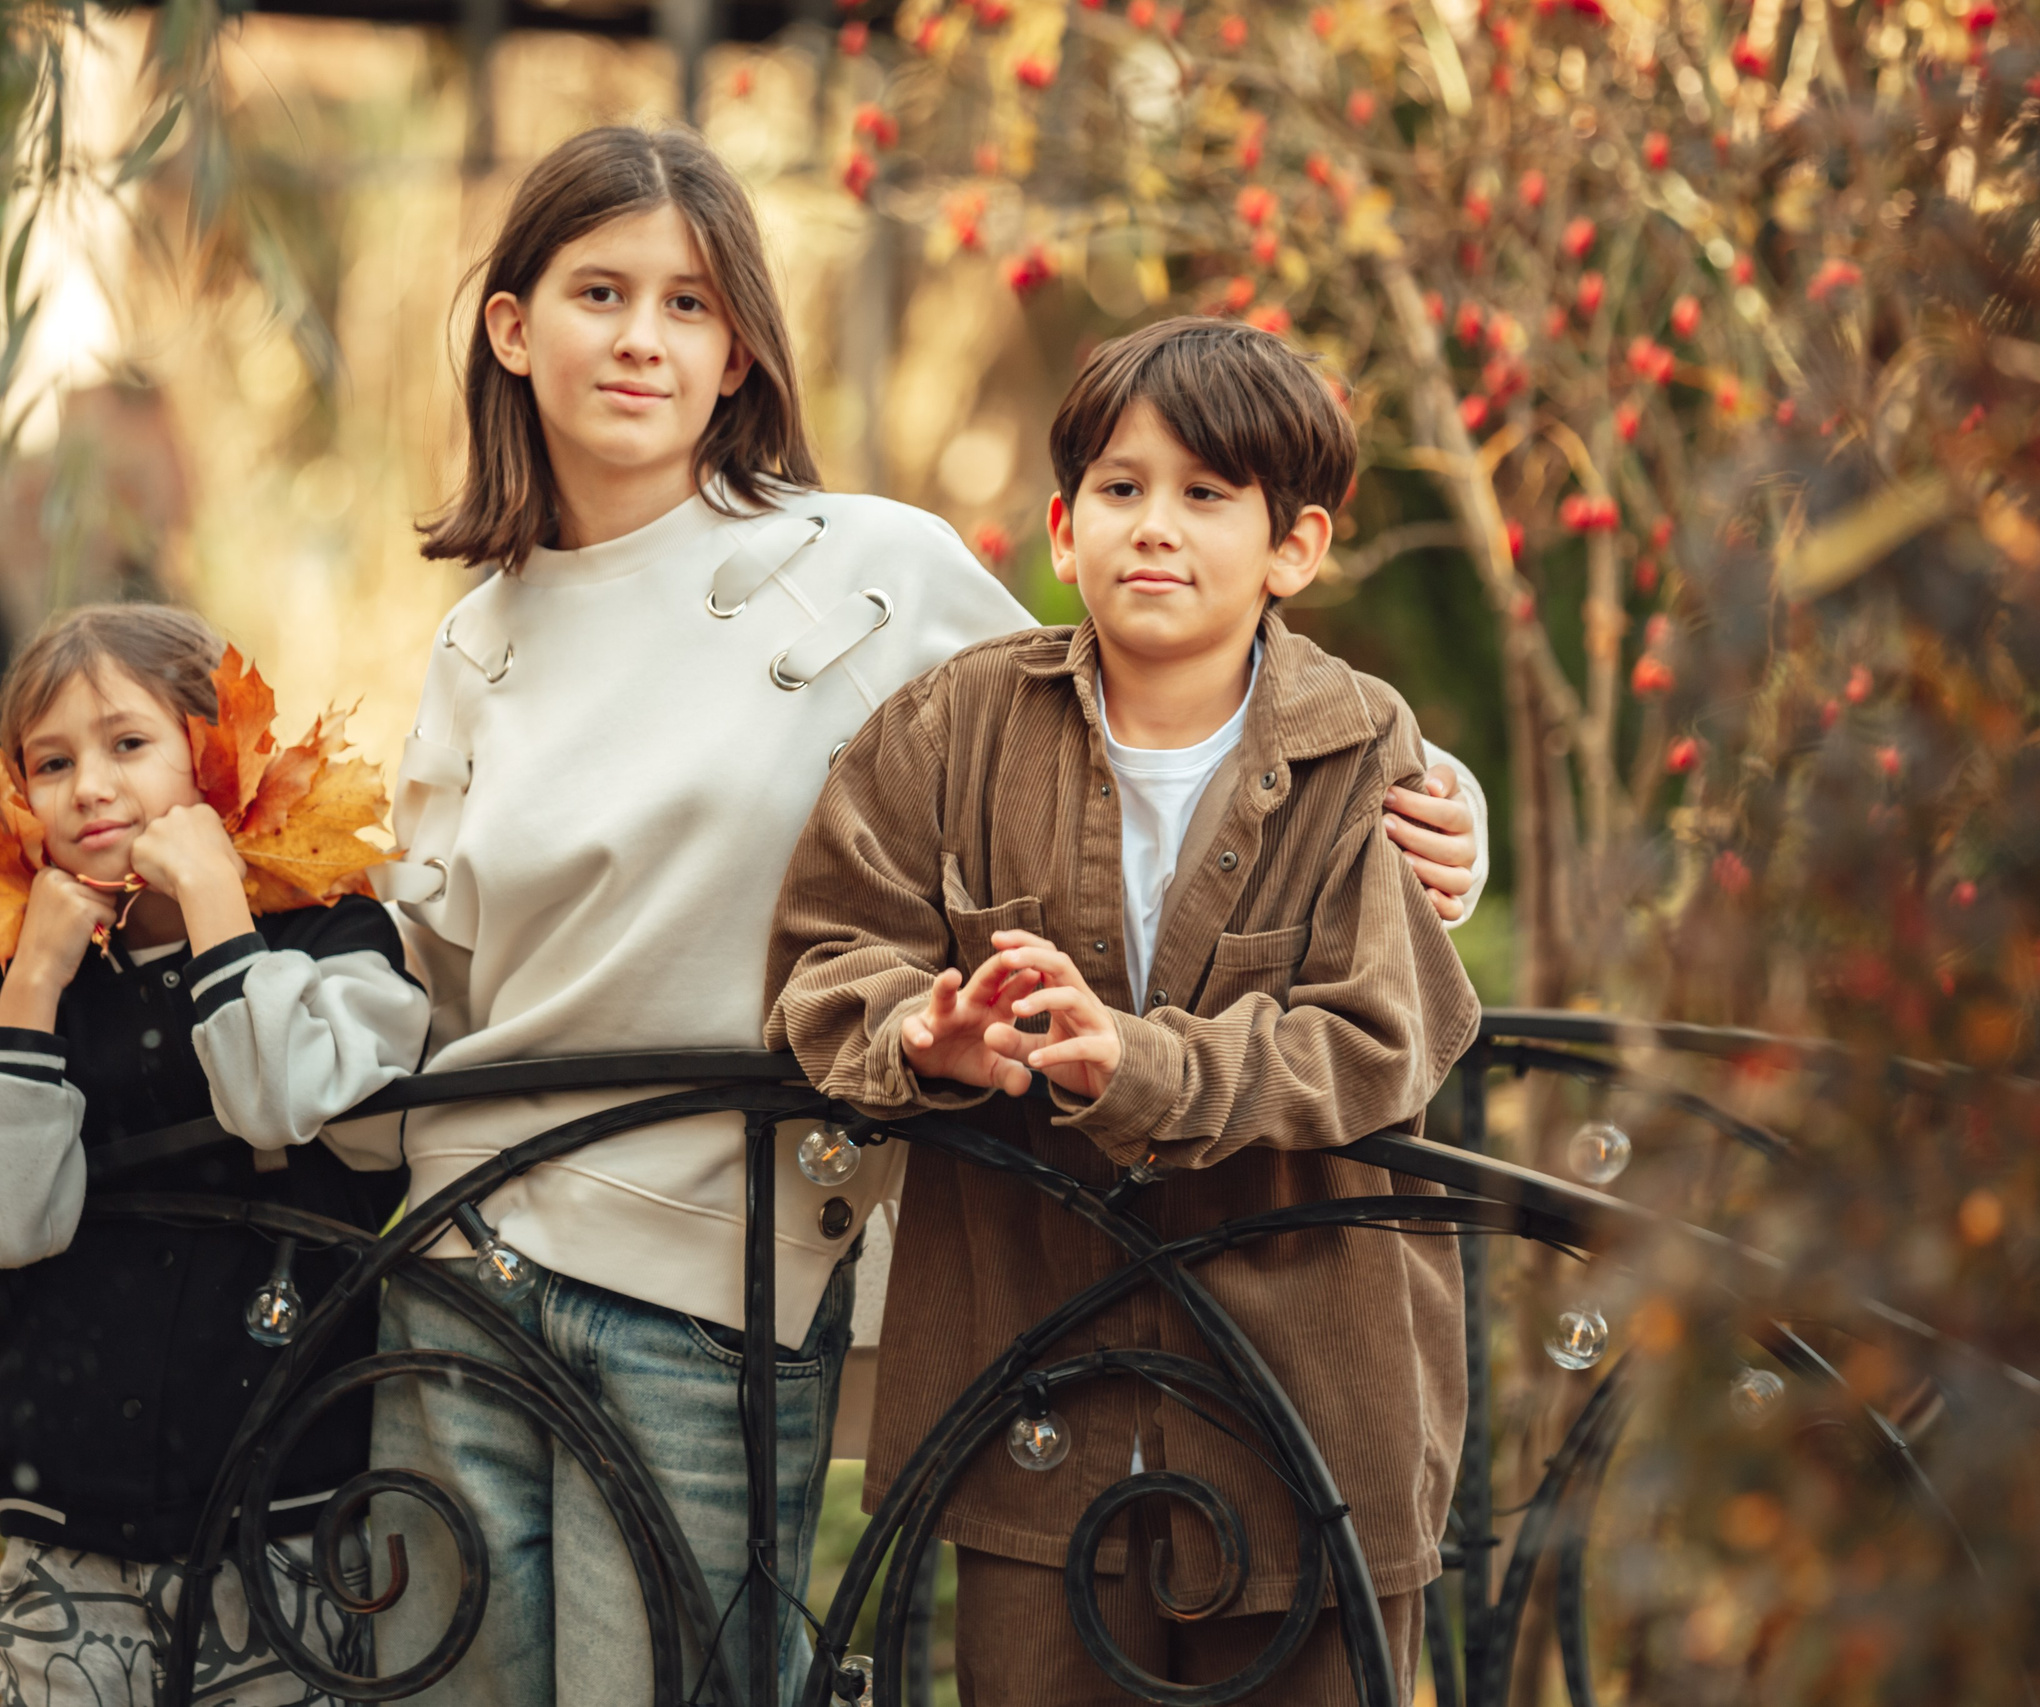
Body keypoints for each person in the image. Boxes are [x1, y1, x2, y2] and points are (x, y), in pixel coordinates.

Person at [366, 128, 1488, 1707]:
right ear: (508, 327)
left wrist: (1447, 816)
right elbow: (436, 973)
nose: (640, 338)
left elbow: (1153, 704)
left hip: (714, 1274)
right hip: (465, 1243)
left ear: (742, 343)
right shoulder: (474, 639)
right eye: (600, 292)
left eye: (688, 304)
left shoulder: (869, 572)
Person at [765, 317, 1483, 1705]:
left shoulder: (1365, 747)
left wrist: (1140, 1063)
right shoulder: (949, 728)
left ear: (1297, 545)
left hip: (1311, 1418)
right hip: (1038, 1392)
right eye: (1120, 486)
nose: (1156, 525)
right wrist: (925, 1032)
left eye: (1207, 493)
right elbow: (824, 958)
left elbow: (1377, 1036)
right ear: (1061, 521)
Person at [0, 605, 428, 1707]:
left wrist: (217, 905)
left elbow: (282, 1100)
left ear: (213, 751)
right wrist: (34, 983)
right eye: (51, 762)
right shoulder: (17, 978)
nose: (89, 786)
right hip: (67, 1531)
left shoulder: (332, 937)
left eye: (128, 745)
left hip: (286, 1517)